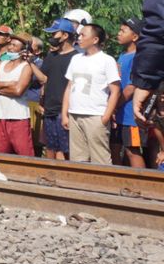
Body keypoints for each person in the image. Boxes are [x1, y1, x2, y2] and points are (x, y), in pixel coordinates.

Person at [62, 23, 121, 164]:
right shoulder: (76, 59)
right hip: (75, 115)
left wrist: (105, 118)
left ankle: (104, 186)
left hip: (95, 116)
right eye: (79, 35)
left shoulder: (107, 60)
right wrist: (65, 114)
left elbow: (115, 91)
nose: (79, 38)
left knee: (100, 160)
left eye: (83, 35)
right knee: (77, 159)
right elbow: (69, 87)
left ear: (95, 40)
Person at [32, 18, 77, 160]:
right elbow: (44, 79)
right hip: (49, 109)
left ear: (65, 35)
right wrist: (30, 62)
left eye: (54, 34)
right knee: (50, 148)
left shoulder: (77, 57)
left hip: (65, 111)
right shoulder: (52, 55)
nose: (51, 37)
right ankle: (51, 176)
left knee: (65, 150)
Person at [0, 32, 35, 155]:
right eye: (10, 44)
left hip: (18, 117)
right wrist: (8, 84)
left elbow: (18, 91)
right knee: (0, 153)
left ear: (23, 50)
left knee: (24, 152)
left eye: (14, 46)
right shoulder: (0, 64)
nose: (10, 48)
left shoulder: (25, 67)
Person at [116, 18, 146, 168]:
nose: (118, 33)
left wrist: (113, 106)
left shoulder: (137, 57)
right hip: (119, 114)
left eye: (123, 31)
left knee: (132, 151)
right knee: (115, 149)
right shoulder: (122, 56)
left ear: (135, 37)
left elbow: (130, 89)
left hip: (129, 116)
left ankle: (144, 186)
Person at [25, 37, 46, 155]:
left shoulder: (40, 64)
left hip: (33, 103)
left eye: (30, 46)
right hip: (23, 102)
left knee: (35, 139)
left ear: (37, 51)